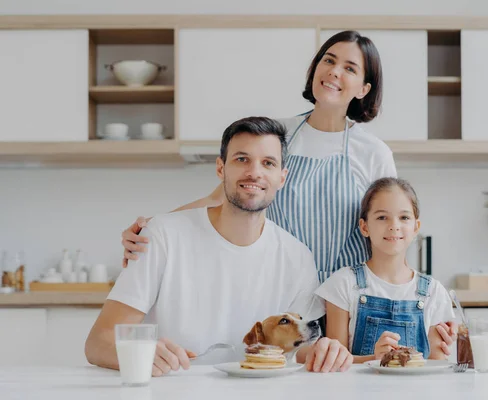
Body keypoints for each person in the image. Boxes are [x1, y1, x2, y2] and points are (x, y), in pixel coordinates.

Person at [120, 30, 456, 356]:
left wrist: (412, 300)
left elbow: (388, 232)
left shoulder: (373, 152)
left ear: (364, 88)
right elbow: (220, 196)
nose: (334, 72)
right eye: (329, 60)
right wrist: (150, 227)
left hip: (348, 306)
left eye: (350, 68)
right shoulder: (280, 134)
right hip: (285, 304)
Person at [85, 117, 353, 377]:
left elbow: (302, 350)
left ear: (282, 177)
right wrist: (140, 353)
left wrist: (327, 350)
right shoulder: (163, 236)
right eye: (242, 159)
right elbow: (98, 343)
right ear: (220, 168)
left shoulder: (298, 258)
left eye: (268, 163)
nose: (255, 172)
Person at [315, 178, 456, 362]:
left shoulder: (433, 292)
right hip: (356, 391)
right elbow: (335, 362)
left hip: (418, 391)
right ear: (364, 227)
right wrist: (375, 358)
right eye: (382, 217)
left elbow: (436, 368)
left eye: (404, 217)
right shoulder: (343, 283)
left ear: (416, 227)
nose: (394, 225)